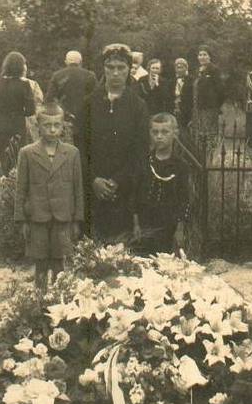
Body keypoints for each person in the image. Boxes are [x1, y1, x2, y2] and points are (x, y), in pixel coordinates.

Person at [76, 43, 149, 242]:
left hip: (123, 193)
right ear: (103, 69)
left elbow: (141, 151)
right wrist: (94, 180)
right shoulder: (89, 103)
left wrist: (117, 181)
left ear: (128, 70)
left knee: (118, 253)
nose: (115, 73)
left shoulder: (138, 106)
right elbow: (79, 146)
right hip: (92, 190)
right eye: (110, 67)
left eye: (121, 68)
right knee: (89, 253)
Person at [14, 102, 84, 294]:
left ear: (63, 126)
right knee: (41, 264)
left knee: (60, 263)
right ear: (38, 127)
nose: (52, 130)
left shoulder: (72, 153)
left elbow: (78, 189)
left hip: (63, 218)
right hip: (37, 218)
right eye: (47, 125)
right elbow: (21, 189)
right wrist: (22, 220)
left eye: (57, 125)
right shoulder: (27, 153)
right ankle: (39, 301)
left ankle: (60, 301)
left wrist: (77, 219)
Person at [132, 112, 190, 255]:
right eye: (155, 132)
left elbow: (184, 199)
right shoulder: (143, 162)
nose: (159, 136)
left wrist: (179, 229)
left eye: (165, 132)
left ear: (175, 133)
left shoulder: (181, 166)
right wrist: (136, 224)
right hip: (145, 223)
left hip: (168, 224)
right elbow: (134, 195)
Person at [0, 51, 35, 175]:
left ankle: (6, 182)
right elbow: (31, 110)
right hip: (18, 123)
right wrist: (21, 112)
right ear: (21, 67)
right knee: (19, 156)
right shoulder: (25, 85)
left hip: (2, 123)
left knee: (4, 155)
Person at [191, 44, 225, 163]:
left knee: (209, 135)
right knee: (199, 135)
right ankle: (200, 159)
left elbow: (221, 91)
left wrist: (215, 105)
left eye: (205, 54)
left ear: (210, 56)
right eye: (200, 55)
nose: (202, 57)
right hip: (197, 108)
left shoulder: (214, 70)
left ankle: (210, 159)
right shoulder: (197, 71)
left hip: (209, 109)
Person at [46, 50, 97, 128]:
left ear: (66, 62)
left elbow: (49, 99)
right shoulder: (90, 75)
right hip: (85, 118)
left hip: (64, 118)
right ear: (81, 62)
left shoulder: (57, 76)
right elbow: (96, 97)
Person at [171, 57, 193, 128]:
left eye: (181, 67)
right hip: (174, 111)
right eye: (177, 67)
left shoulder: (191, 81)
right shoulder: (171, 82)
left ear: (186, 68)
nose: (179, 70)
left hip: (187, 112)